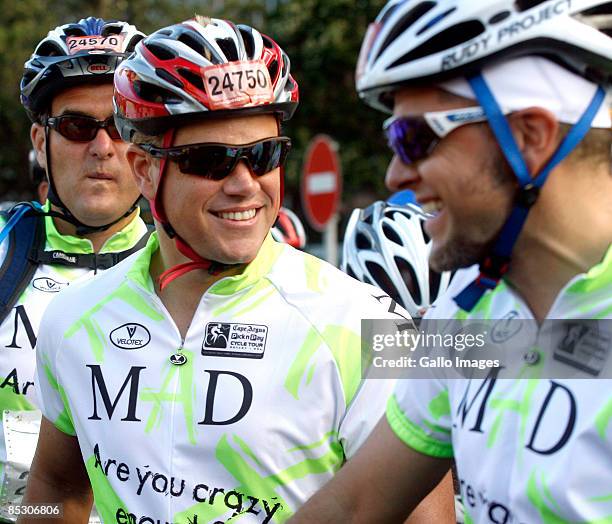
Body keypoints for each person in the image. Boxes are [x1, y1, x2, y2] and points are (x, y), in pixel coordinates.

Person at [22, 16, 453, 524]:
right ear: (144, 169)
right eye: (211, 161)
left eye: (264, 155)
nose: (246, 184)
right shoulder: (75, 316)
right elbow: (58, 486)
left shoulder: (360, 324)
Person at [290, 1, 612, 522]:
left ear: (530, 135)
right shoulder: (468, 302)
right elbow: (354, 505)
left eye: (414, 139)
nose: (395, 175)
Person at [0, 17, 148, 521]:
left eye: (122, 126)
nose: (103, 147)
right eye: (78, 127)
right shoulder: (4, 249)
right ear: (41, 141)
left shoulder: (189, 268)